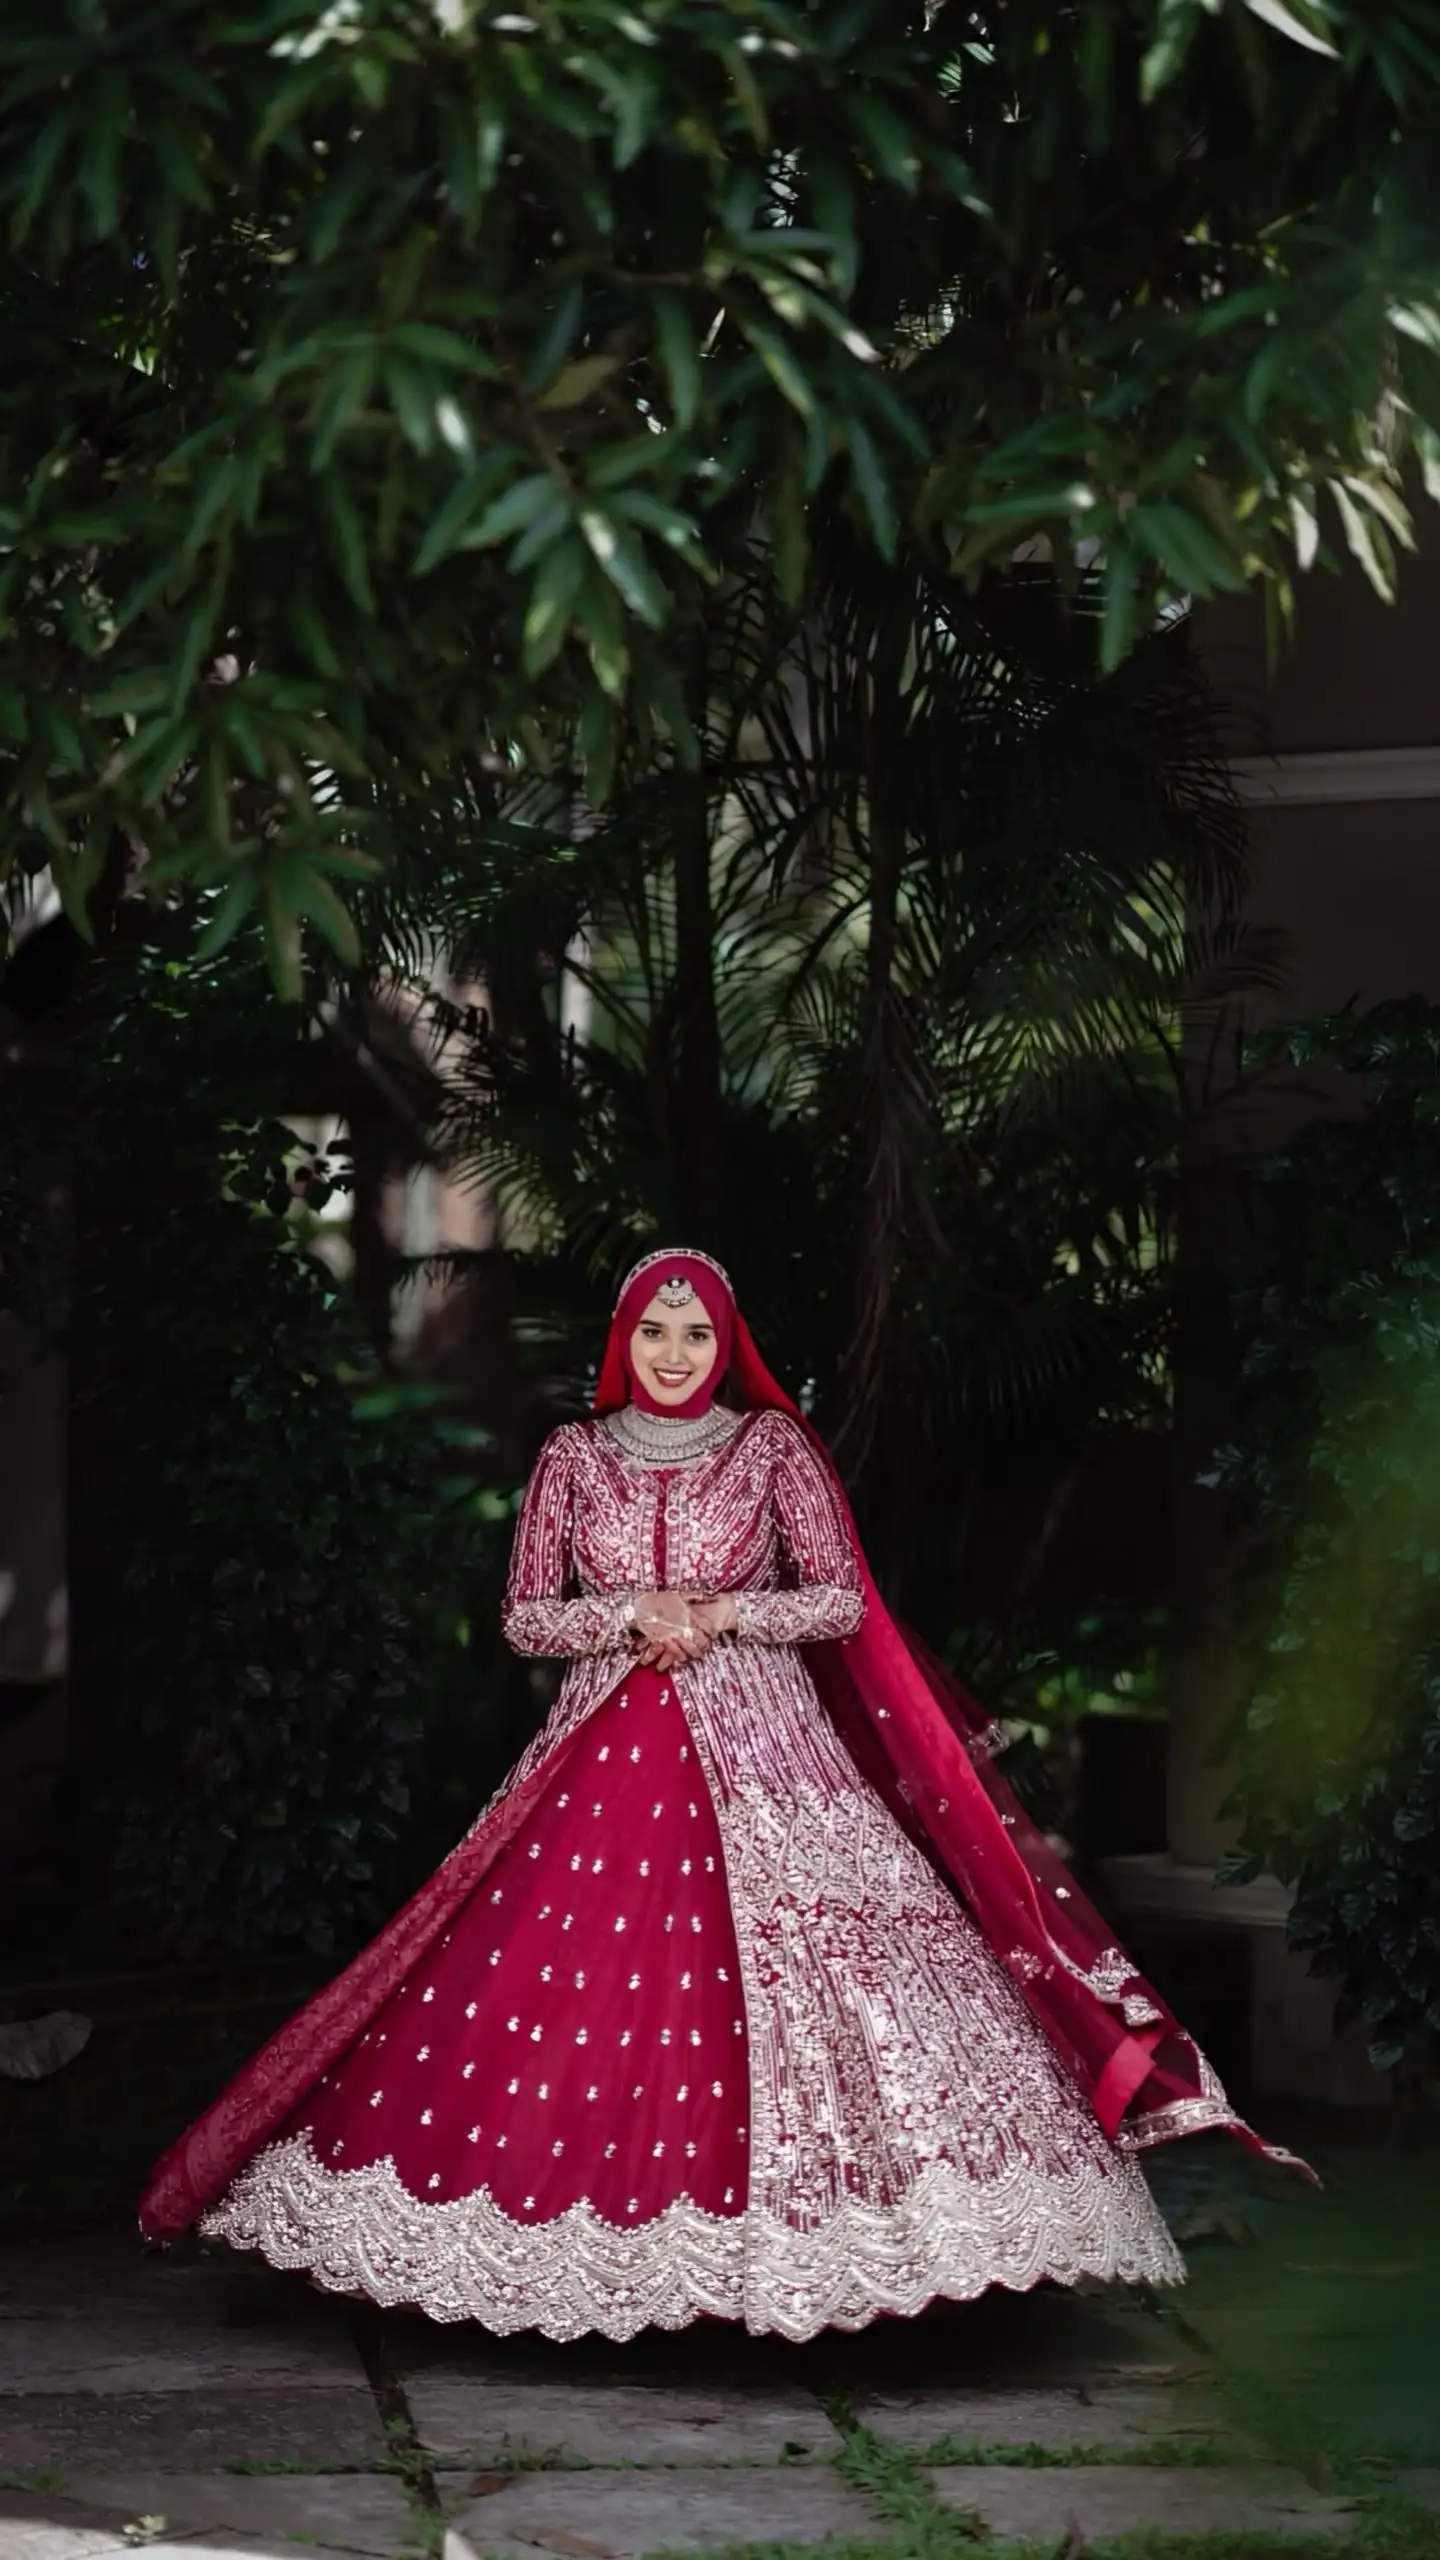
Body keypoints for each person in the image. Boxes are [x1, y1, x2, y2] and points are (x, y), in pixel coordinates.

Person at [138, 1248, 1305, 2341]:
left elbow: (838, 1599)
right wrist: (627, 1617)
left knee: (831, 1974)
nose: (677, 1350)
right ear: (624, 1339)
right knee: (558, 1973)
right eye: (656, 1329)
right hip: (599, 1742)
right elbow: (524, 1615)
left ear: (726, 1342)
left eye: (698, 1332)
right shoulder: (571, 1458)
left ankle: (880, 2248)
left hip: (766, 1745)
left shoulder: (769, 1452)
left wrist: (726, 1614)